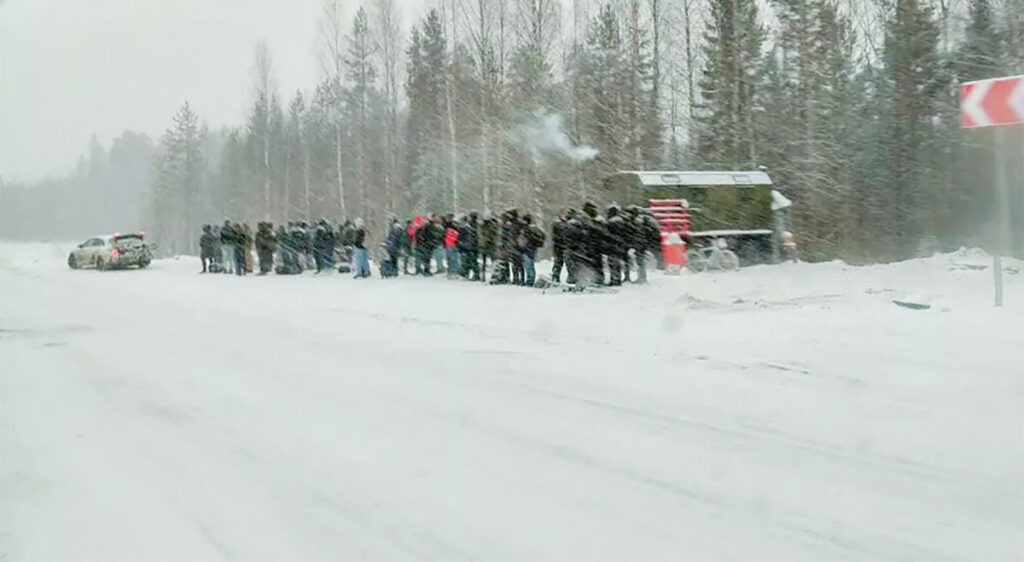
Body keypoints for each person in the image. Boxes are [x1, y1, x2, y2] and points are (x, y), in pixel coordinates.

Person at [520, 214, 546, 287]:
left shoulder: (527, 229)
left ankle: (530, 281)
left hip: (527, 249)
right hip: (532, 249)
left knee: (529, 266)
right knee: (530, 265)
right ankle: (530, 280)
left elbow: (524, 240)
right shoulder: (535, 228)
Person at [605, 204, 626, 286]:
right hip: (618, 244)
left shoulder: (612, 222)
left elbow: (608, 233)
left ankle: (615, 279)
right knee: (616, 263)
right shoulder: (620, 220)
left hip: (613, 244)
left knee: (613, 263)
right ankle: (617, 278)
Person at [458, 212, 480, 280]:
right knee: (471, 261)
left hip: (470, 246)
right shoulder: (473, 225)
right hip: (471, 246)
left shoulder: (471, 226)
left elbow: (467, 236)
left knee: (469, 261)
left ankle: (470, 274)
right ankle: (471, 274)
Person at [478, 212, 497, 282]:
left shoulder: (484, 226)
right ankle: (486, 276)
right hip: (487, 246)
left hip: (487, 246)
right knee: (489, 262)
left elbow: (482, 236)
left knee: (488, 262)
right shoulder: (490, 226)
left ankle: (486, 276)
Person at [550, 211, 568, 283]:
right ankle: (555, 277)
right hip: (559, 248)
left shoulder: (567, 225)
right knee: (558, 263)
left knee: (565, 264)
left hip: (564, 247)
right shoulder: (557, 224)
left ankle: (556, 276)